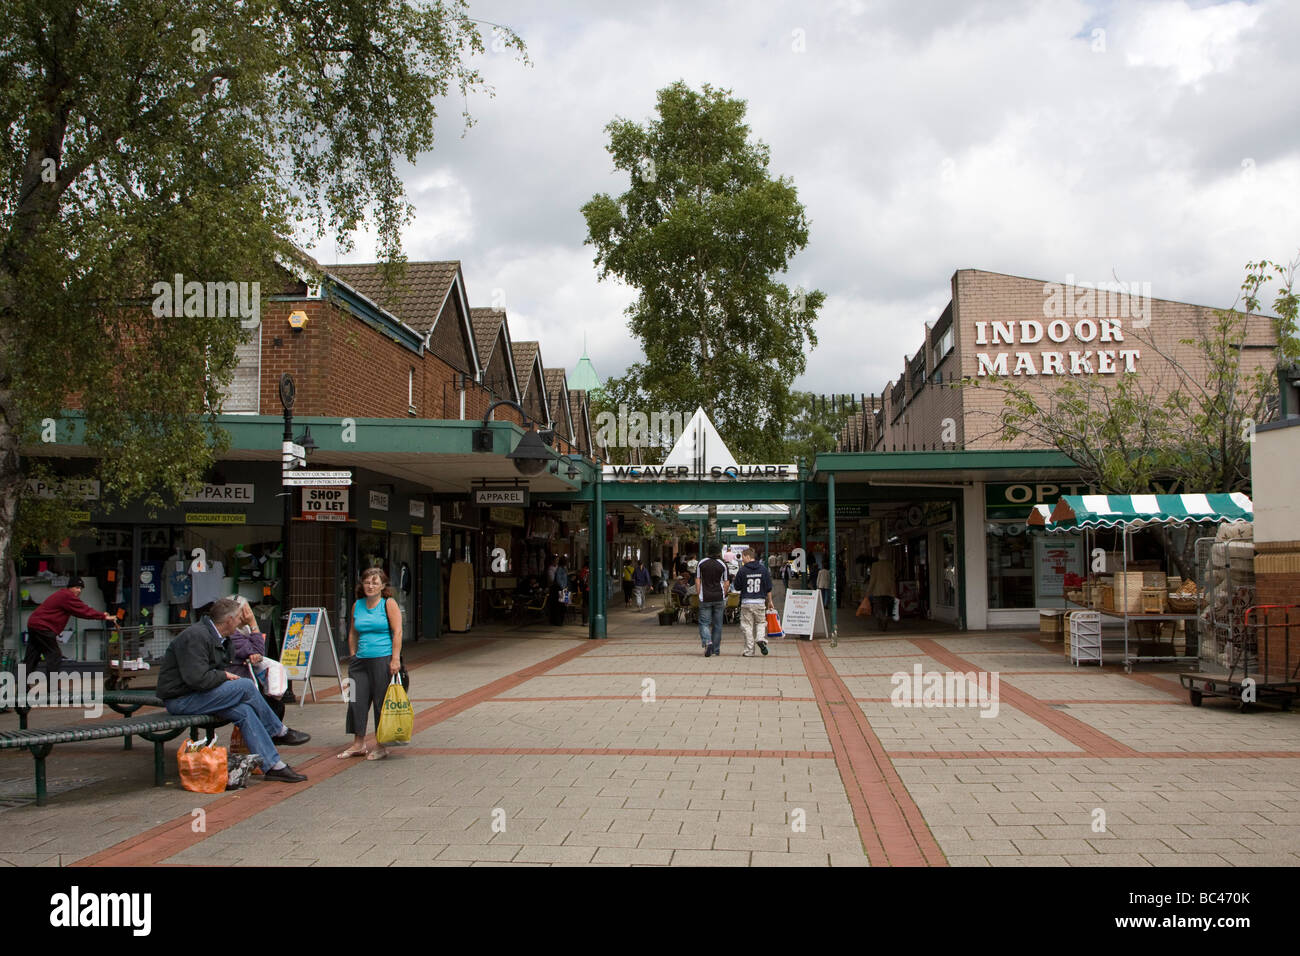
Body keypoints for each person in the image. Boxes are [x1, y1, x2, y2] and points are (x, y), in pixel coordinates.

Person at [157, 597, 310, 783]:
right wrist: (223, 676)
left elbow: (223, 666)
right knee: (245, 685)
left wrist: (223, 674)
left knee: (245, 711)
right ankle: (277, 730)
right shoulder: (195, 636)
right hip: (182, 699)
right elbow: (197, 679)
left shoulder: (221, 637)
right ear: (229, 620)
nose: (240, 622)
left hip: (199, 695)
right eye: (238, 618)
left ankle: (273, 766)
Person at [338, 568, 403, 760]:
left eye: (375, 582)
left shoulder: (388, 604)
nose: (370, 586)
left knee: (380, 702)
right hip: (360, 660)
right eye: (367, 582)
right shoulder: (357, 605)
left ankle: (381, 744)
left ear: (383, 586)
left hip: (382, 658)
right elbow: (352, 632)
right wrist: (352, 655)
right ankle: (358, 743)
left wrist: (395, 658)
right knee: (357, 700)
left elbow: (397, 632)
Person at [24, 577, 116, 679]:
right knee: (55, 656)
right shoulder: (67, 596)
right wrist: (103, 616)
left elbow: (80, 610)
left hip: (34, 624)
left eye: (81, 588)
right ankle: (52, 688)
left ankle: (22, 687)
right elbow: (83, 610)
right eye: (77, 587)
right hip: (43, 626)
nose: (79, 591)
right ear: (69, 588)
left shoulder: (63, 595)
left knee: (32, 656)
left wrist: (100, 615)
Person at [227, 595, 285, 720]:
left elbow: (258, 654)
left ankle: (274, 734)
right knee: (275, 706)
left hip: (249, 679)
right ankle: (273, 735)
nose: (250, 614)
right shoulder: (233, 635)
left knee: (276, 704)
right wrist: (253, 623)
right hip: (239, 681)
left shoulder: (244, 630)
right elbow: (259, 651)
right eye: (248, 611)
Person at [733, 547, 774, 657]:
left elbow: (736, 586)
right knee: (761, 622)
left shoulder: (742, 570)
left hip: (746, 601)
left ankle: (749, 650)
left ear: (747, 556)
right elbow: (768, 588)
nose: (742, 560)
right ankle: (760, 638)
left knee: (747, 626)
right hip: (760, 601)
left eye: (743, 557)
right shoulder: (763, 569)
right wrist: (770, 601)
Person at [696, 547, 729, 657]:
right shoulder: (722, 564)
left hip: (705, 597)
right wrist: (723, 594)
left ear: (708, 552)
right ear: (719, 552)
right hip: (719, 597)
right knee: (718, 625)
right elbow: (726, 582)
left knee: (704, 623)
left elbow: (697, 580)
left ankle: (707, 641)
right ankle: (716, 649)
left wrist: (698, 593)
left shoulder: (701, 563)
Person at [867, 548, 898, 631]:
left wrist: (868, 591)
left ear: (879, 557)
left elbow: (873, 579)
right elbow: (893, 578)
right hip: (888, 590)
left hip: (878, 590)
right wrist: (893, 591)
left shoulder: (875, 565)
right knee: (884, 607)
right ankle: (882, 626)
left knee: (877, 608)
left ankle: (883, 619)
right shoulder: (890, 565)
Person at [549, 557, 570, 626]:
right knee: (560, 606)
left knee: (563, 606)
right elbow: (558, 580)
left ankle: (561, 621)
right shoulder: (560, 569)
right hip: (562, 589)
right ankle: (559, 621)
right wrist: (564, 587)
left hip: (564, 589)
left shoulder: (563, 569)